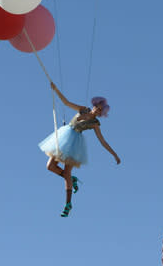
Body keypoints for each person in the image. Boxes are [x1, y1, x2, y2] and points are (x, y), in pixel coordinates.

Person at [39, 82, 121, 217]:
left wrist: (114, 154)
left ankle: (68, 204)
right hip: (64, 136)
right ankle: (72, 179)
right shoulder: (83, 109)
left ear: (101, 113)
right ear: (94, 105)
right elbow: (66, 103)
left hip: (75, 144)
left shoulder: (95, 123)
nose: (96, 110)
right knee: (50, 166)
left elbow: (103, 141)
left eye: (100, 110)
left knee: (66, 173)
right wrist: (55, 90)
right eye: (96, 107)